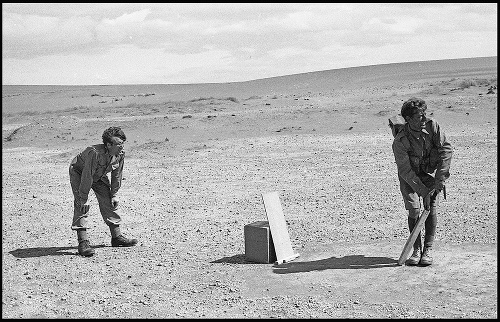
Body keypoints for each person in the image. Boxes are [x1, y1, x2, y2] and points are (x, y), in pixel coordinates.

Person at [391, 98, 452, 266]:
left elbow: (446, 150)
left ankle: (428, 249)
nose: (424, 118)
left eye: (424, 114)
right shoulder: (400, 141)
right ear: (408, 119)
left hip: (427, 173)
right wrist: (423, 191)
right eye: (419, 116)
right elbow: (405, 171)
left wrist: (440, 178)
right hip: (409, 176)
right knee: (414, 209)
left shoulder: (433, 126)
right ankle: (416, 249)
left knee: (431, 206)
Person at [69, 126, 137, 256]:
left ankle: (116, 237)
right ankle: (83, 243)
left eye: (122, 143)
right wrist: (83, 197)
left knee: (108, 200)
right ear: (108, 144)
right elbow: (87, 175)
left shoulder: (120, 154)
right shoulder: (94, 153)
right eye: (118, 144)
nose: (121, 147)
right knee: (81, 205)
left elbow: (117, 174)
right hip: (80, 172)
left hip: (98, 175)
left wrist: (114, 194)